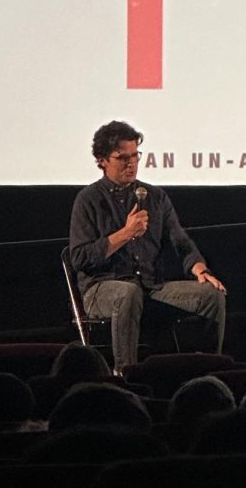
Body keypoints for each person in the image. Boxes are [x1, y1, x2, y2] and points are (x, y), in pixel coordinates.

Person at [69, 120, 226, 373]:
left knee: (211, 294)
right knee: (127, 294)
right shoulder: (88, 200)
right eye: (122, 158)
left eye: (135, 156)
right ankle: (126, 373)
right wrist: (125, 234)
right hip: (101, 289)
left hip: (149, 286)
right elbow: (79, 258)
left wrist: (199, 269)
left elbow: (180, 240)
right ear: (102, 160)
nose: (131, 164)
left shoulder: (154, 197)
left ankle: (209, 371)